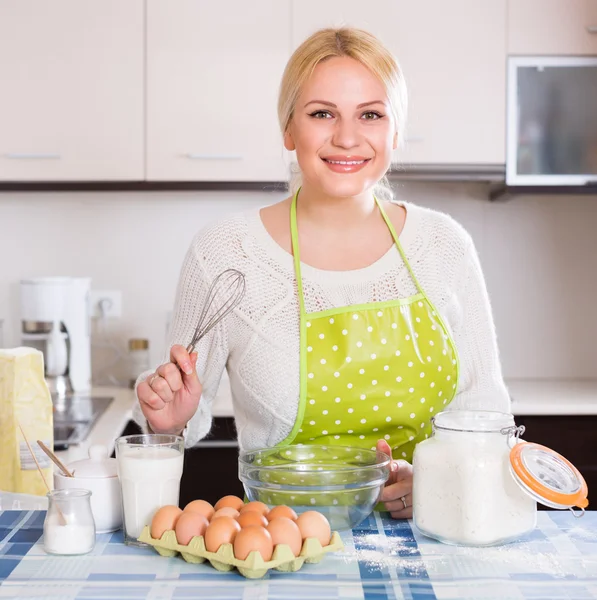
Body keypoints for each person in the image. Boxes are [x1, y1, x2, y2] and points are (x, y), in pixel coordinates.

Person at [134, 27, 510, 519]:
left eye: (371, 114)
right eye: (322, 113)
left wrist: (440, 480)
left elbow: (487, 414)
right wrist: (170, 421)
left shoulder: (444, 247)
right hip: (281, 550)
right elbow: (184, 416)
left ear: (395, 131)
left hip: (434, 538)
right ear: (289, 128)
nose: (347, 137)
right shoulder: (226, 252)